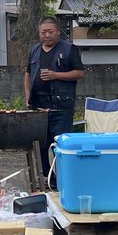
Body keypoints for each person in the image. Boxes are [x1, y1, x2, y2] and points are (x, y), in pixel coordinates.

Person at [23, 16, 85, 188]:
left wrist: (55, 75)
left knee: (59, 144)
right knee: (42, 144)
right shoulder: (35, 50)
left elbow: (80, 73)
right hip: (39, 105)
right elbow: (28, 74)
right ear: (39, 33)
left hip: (61, 106)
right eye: (43, 32)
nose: (47, 35)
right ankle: (46, 179)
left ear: (58, 32)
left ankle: (62, 181)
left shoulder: (68, 49)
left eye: (50, 32)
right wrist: (28, 96)